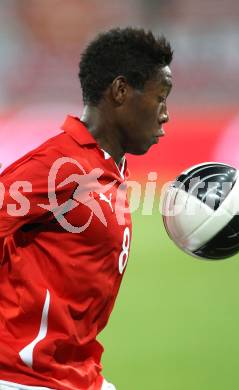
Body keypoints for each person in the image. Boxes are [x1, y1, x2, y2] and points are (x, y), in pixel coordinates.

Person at [0, 27, 173, 390]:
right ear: (121, 91)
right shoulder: (60, 166)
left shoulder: (109, 167)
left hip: (76, 374)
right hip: (26, 377)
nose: (166, 115)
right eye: (160, 97)